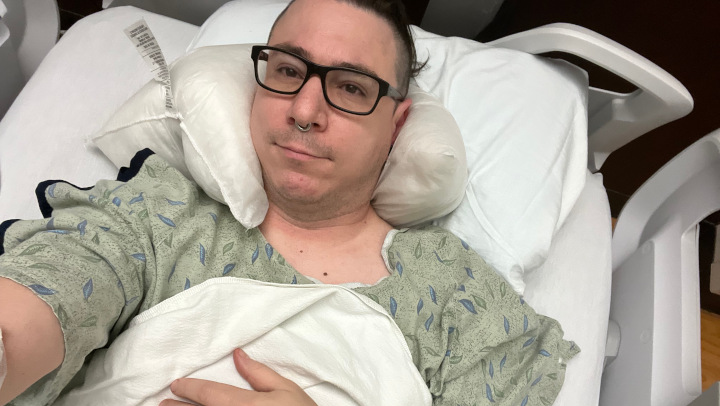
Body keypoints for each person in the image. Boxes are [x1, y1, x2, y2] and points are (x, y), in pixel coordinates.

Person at [0, 0, 578, 405]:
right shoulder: (160, 212)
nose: (304, 110)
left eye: (350, 87)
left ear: (397, 125)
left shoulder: (460, 294)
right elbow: (53, 290)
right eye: (288, 70)